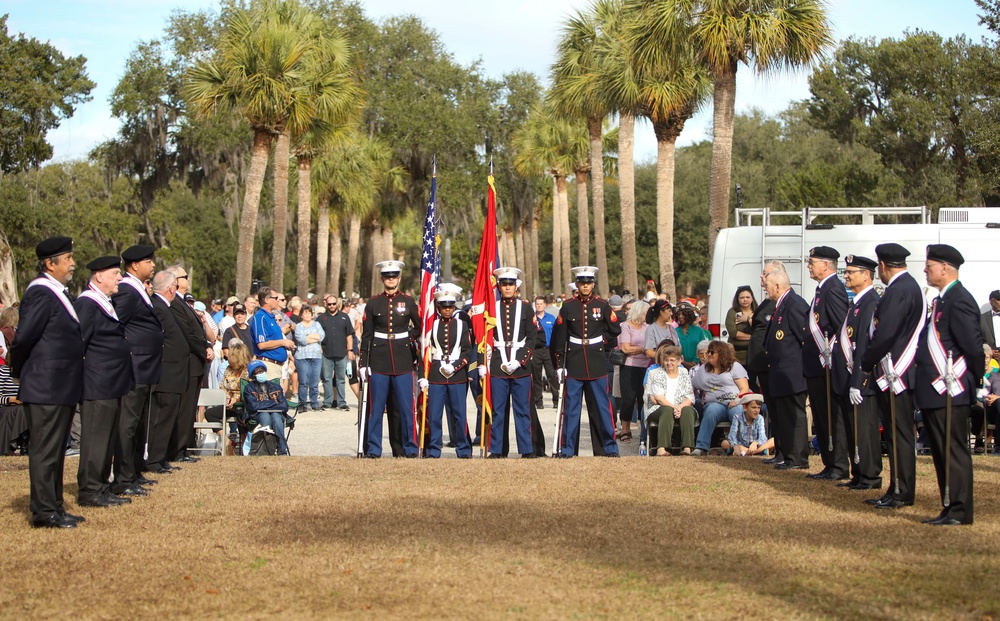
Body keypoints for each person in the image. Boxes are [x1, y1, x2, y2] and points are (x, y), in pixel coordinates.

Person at [9, 237, 85, 528]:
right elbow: (24, 337)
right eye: (67, 259)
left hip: (61, 384)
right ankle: (43, 511)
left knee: (56, 450)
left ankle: (55, 505)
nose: (72, 264)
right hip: (46, 383)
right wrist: (23, 372)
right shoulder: (40, 292)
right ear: (50, 264)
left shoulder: (58, 292)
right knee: (44, 450)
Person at [914, 244, 983, 526]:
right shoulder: (942, 300)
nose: (925, 270)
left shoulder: (960, 299)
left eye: (929, 266)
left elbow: (973, 348)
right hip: (935, 390)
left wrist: (975, 382)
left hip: (951, 390)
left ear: (944, 268)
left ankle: (959, 510)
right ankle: (948, 505)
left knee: (953, 450)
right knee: (941, 451)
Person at [860, 243, 925, 510]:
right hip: (895, 369)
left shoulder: (899, 290)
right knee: (896, 434)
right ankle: (896, 487)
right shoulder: (905, 287)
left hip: (897, 371)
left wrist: (867, 360)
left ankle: (902, 490)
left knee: (899, 434)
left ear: (884, 266)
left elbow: (885, 332)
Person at [75, 256, 135, 508]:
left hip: (110, 382)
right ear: (99, 276)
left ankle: (101, 485)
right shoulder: (88, 304)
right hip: (97, 383)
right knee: (95, 438)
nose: (120, 278)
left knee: (106, 438)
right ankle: (89, 490)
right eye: (114, 274)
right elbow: (79, 343)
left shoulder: (104, 302)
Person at [551, 266, 621, 458]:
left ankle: (610, 447)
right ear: (578, 284)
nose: (585, 286)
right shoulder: (568, 306)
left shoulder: (602, 305)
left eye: (588, 282)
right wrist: (560, 365)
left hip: (596, 362)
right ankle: (567, 449)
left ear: (593, 284)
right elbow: (560, 338)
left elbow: (615, 329)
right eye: (582, 283)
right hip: (574, 362)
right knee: (571, 409)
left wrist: (601, 341)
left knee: (603, 409)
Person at [111, 244, 162, 495]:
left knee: (139, 422)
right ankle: (123, 477)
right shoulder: (127, 290)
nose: (153, 265)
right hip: (133, 366)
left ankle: (134, 471)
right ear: (134, 265)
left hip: (145, 367)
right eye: (148, 261)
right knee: (128, 424)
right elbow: (115, 325)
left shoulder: (138, 289)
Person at [831, 254, 883, 491]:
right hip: (849, 378)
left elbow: (864, 345)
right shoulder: (857, 303)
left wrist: (859, 380)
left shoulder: (871, 302)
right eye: (846, 271)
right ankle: (859, 472)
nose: (847, 275)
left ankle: (870, 475)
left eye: (852, 271)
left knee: (865, 430)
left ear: (866, 275)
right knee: (853, 429)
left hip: (862, 381)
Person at [359, 260, 420, 458]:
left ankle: (411, 448)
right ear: (382, 278)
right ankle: (374, 449)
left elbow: (420, 327)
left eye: (394, 276)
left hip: (402, 360)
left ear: (399, 278)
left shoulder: (408, 301)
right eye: (387, 276)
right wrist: (363, 362)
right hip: (379, 361)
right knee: (376, 409)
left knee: (406, 409)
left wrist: (409, 338)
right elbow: (367, 336)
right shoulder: (374, 303)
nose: (391, 279)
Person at [801, 246, 850, 482]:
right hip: (816, 365)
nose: (809, 266)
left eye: (812, 262)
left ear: (825, 264)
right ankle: (829, 463)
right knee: (821, 417)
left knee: (832, 416)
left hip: (827, 365)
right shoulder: (822, 290)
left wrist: (832, 353)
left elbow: (842, 327)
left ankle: (839, 465)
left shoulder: (833, 289)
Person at [484, 267, 538, 458]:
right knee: (498, 410)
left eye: (510, 284)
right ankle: (497, 450)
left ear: (517, 286)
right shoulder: (492, 308)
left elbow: (532, 338)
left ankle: (526, 449)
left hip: (520, 366)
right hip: (498, 363)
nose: (507, 288)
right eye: (504, 284)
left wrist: (519, 360)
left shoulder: (525, 307)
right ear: (498, 286)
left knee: (522, 410)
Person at [417, 286, 474, 458]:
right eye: (444, 306)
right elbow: (423, 353)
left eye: (450, 306)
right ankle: (433, 449)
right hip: (436, 373)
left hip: (457, 375)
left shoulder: (462, 325)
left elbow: (467, 350)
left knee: (459, 415)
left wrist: (456, 366)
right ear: (438, 307)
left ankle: (463, 449)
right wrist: (422, 377)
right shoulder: (431, 326)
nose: (447, 310)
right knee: (434, 415)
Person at [763, 268, 811, 470]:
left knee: (795, 416)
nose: (766, 290)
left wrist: (800, 369)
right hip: (781, 373)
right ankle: (788, 455)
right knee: (784, 416)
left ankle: (798, 458)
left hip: (793, 373)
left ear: (777, 286)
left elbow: (805, 340)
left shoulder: (794, 304)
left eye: (767, 287)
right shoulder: (781, 305)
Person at [146, 270, 189, 475]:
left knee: (168, 418)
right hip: (166, 373)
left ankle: (160, 458)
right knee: (161, 419)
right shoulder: (158, 307)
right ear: (171, 288)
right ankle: (154, 460)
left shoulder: (165, 307)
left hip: (174, 373)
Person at [166, 266, 209, 464]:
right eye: (184, 276)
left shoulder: (183, 302)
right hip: (188, 362)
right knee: (184, 410)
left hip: (196, 363)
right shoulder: (174, 303)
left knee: (190, 408)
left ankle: (185, 447)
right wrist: (203, 349)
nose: (187, 279)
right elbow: (187, 333)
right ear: (175, 280)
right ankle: (179, 450)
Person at [689, 341, 750, 455]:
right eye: (708, 352)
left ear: (722, 353)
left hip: (734, 402)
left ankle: (742, 446)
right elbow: (691, 386)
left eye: (712, 352)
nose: (709, 355)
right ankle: (701, 447)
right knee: (711, 411)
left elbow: (744, 388)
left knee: (737, 412)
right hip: (715, 404)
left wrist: (736, 401)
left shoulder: (734, 366)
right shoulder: (704, 369)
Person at [644, 345, 697, 456]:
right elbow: (659, 398)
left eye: (672, 360)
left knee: (688, 410)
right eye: (666, 360)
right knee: (667, 410)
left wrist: (680, 407)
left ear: (679, 361)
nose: (669, 363)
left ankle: (687, 448)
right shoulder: (658, 375)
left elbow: (690, 397)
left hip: (680, 407)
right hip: (659, 408)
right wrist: (674, 408)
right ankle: (661, 449)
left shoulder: (684, 376)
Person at [618, 300, 650, 443]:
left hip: (646, 367)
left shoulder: (648, 327)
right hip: (629, 366)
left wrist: (636, 349)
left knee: (643, 398)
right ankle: (625, 428)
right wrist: (644, 349)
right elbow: (625, 348)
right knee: (628, 398)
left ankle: (644, 430)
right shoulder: (625, 326)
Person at [243, 360, 290, 455]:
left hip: (276, 412)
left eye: (262, 371)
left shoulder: (276, 387)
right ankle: (268, 450)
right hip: (258, 414)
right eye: (258, 372)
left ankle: (282, 451)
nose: (261, 374)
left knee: (276, 418)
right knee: (265, 416)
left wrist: (265, 405)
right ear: (253, 376)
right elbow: (253, 406)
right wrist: (273, 402)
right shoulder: (249, 388)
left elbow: (284, 406)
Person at [317, 295, 355, 411]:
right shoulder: (320, 319)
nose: (332, 306)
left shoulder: (344, 317)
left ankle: (341, 402)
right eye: (329, 304)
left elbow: (349, 335)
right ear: (326, 304)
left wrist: (350, 350)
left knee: (341, 379)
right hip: (326, 353)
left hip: (342, 352)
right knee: (327, 379)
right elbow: (317, 336)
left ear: (337, 304)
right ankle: (327, 402)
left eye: (334, 304)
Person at [249, 287, 295, 381]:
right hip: (268, 366)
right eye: (275, 298)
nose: (278, 300)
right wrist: (283, 342)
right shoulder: (260, 318)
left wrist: (286, 346)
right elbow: (261, 344)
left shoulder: (271, 317)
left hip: (277, 366)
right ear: (266, 300)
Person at [220, 339, 251, 454]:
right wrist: (226, 398)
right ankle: (229, 442)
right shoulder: (228, 370)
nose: (228, 357)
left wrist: (236, 399)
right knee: (210, 413)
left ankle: (245, 447)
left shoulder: (248, 371)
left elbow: (248, 390)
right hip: (228, 403)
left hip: (242, 403)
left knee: (241, 412)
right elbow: (222, 387)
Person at [293, 305, 325, 411]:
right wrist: (313, 337)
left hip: (316, 357)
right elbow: (301, 340)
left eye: (309, 313)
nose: (307, 315)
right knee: (303, 382)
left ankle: (314, 403)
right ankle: (302, 404)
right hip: (302, 357)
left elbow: (321, 336)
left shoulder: (317, 324)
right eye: (305, 313)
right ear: (301, 315)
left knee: (314, 382)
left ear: (312, 315)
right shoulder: (298, 326)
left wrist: (308, 336)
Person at [531, 295, 559, 410]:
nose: (539, 306)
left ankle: (556, 400)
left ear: (544, 305)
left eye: (541, 304)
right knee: (537, 377)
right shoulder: (532, 319)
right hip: (536, 351)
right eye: (537, 304)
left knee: (552, 375)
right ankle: (538, 401)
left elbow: (556, 334)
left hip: (548, 351)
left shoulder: (551, 318)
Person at [726, 286, 756, 365]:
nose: (745, 300)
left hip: (754, 354)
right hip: (737, 355)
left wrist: (748, 319)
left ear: (752, 298)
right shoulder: (732, 312)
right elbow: (734, 333)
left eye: (747, 297)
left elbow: (762, 329)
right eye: (742, 297)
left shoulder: (758, 311)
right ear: (737, 299)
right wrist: (754, 337)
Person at [979, 290, 1000, 356]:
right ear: (991, 301)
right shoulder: (981, 319)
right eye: (999, 299)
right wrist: (989, 351)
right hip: (989, 359)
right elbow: (977, 339)